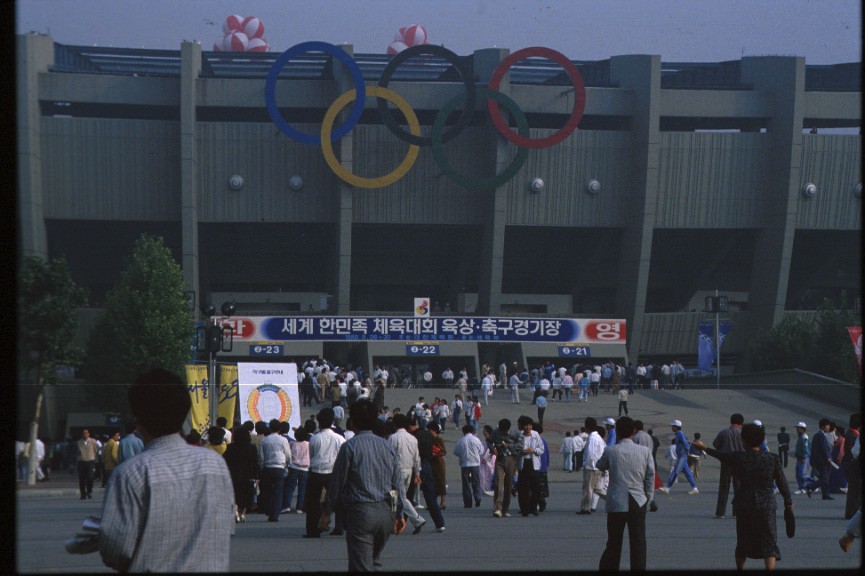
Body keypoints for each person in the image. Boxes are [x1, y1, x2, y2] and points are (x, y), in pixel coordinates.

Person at [99, 368, 234, 572]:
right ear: (184, 410)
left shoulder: (131, 473)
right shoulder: (215, 465)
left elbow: (116, 548)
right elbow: (227, 526)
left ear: (139, 418)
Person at [320, 399, 407, 572]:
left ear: (352, 422)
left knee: (361, 566)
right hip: (385, 514)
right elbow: (397, 484)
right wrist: (400, 513)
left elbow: (337, 483)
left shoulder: (349, 447)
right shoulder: (387, 446)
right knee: (374, 562)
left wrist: (326, 511)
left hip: (361, 512)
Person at [695, 423, 794, 571]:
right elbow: (782, 483)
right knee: (769, 541)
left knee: (743, 541)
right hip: (766, 503)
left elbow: (720, 455)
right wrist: (788, 501)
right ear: (761, 440)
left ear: (744, 440)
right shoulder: (772, 459)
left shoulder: (738, 457)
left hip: (744, 503)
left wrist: (704, 448)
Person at [596, 416, 654, 572]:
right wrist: (648, 498)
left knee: (614, 541)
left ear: (617, 432)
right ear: (633, 431)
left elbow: (599, 465)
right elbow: (650, 476)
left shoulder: (611, 450)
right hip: (638, 499)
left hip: (616, 500)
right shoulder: (645, 451)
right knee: (638, 541)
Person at [304, 407, 346, 538]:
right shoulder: (339, 438)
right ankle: (340, 526)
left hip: (316, 472)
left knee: (313, 503)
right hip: (333, 472)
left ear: (319, 421)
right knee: (338, 500)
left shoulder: (315, 438)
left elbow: (312, 455)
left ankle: (312, 530)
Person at [258, 419, 292, 522]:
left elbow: (261, 456)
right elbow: (288, 454)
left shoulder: (264, 440)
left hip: (268, 467)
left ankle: (269, 510)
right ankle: (275, 514)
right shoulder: (283, 440)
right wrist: (287, 463)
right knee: (278, 491)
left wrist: (262, 467)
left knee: (268, 491)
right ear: (279, 429)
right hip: (279, 467)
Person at [223, 426, 259, 523]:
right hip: (248, 476)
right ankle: (242, 514)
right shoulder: (252, 447)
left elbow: (225, 460)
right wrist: (256, 476)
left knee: (235, 494)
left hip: (233, 475)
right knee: (246, 496)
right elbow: (255, 463)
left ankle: (235, 512)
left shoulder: (230, 447)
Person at [489, 418, 522, 518]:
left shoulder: (515, 433)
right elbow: (489, 441)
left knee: (508, 485)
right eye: (502, 431)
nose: (503, 433)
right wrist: (492, 448)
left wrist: (510, 445)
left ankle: (505, 509)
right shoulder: (495, 432)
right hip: (500, 459)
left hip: (511, 459)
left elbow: (520, 445)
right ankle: (497, 508)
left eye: (505, 431)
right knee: (498, 484)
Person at [657, 419, 699, 494]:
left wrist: (686, 452)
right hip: (681, 456)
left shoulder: (680, 434)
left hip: (682, 456)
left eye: (673, 426)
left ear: (676, 427)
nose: (672, 427)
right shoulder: (678, 434)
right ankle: (694, 487)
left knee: (675, 471)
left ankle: (668, 487)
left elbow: (686, 444)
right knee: (688, 472)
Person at [516, 416, 544, 517]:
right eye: (526, 426)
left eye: (530, 425)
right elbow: (514, 449)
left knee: (536, 488)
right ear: (522, 427)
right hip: (523, 464)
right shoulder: (519, 436)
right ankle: (524, 509)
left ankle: (533, 506)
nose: (528, 427)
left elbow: (541, 449)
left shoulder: (535, 435)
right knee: (523, 488)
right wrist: (520, 452)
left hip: (533, 463)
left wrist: (534, 450)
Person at [453, 424, 485, 508]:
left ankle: (468, 503)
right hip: (475, 463)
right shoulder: (476, 440)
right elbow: (481, 451)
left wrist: (462, 454)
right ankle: (477, 497)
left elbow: (455, 451)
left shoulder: (461, 440)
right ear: (472, 431)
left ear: (463, 432)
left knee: (466, 484)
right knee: (476, 482)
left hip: (465, 464)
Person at [579, 417, 606, 515]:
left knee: (588, 488)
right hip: (597, 466)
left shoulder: (592, 438)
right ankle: (612, 499)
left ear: (587, 427)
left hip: (591, 467)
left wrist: (587, 465)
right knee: (596, 488)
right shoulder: (598, 437)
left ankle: (586, 508)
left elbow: (591, 454)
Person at [804, 418, 835, 500]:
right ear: (824, 426)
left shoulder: (818, 435)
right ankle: (810, 486)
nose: (829, 427)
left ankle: (825, 494)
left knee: (823, 477)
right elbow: (824, 449)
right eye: (828, 425)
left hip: (819, 460)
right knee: (825, 478)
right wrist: (828, 458)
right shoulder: (821, 436)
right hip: (822, 461)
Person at [284, 427, 310, 514]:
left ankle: (287, 505)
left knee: (290, 487)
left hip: (293, 466)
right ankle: (300, 507)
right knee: (302, 488)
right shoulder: (308, 444)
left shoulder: (292, 443)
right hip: (304, 468)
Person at [842, 413, 861, 519]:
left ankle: (851, 512)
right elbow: (854, 452)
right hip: (855, 464)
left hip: (852, 464)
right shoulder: (855, 436)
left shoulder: (850, 433)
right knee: (855, 491)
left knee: (853, 491)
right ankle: (853, 512)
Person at [428, 423, 448, 509]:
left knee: (441, 483)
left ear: (434, 431)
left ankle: (443, 502)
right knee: (432, 483)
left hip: (439, 463)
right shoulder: (429, 439)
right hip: (431, 463)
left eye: (430, 430)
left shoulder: (439, 439)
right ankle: (433, 503)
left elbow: (444, 452)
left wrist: (435, 454)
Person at [76, 429, 99, 500]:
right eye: (83, 433)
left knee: (90, 477)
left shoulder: (93, 441)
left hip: (90, 461)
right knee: (82, 478)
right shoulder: (79, 442)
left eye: (86, 433)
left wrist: (93, 458)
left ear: (89, 434)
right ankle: (83, 493)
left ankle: (89, 491)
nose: (85, 435)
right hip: (81, 461)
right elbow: (77, 452)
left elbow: (95, 450)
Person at [793, 422, 811, 494]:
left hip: (803, 458)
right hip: (800, 458)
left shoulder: (804, 437)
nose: (797, 430)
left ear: (802, 429)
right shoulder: (801, 437)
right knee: (799, 473)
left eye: (798, 428)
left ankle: (803, 488)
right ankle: (802, 487)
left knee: (801, 473)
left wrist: (804, 457)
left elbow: (805, 448)